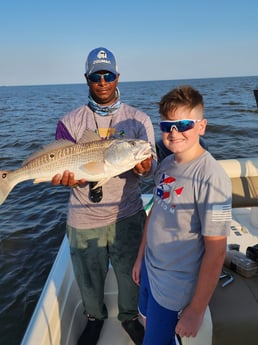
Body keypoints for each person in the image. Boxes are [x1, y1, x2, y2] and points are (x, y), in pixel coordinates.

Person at [52, 47, 156, 345]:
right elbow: (61, 165)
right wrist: (64, 179)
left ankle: (129, 317)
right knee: (88, 279)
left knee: (130, 275)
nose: (102, 81)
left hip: (128, 215)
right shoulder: (69, 122)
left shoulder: (138, 120)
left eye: (107, 74)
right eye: (96, 75)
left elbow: (151, 168)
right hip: (83, 218)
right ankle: (94, 318)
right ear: (87, 79)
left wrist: (146, 165)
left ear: (117, 77)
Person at [132, 85, 232, 345]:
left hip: (174, 289)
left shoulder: (213, 178)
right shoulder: (165, 164)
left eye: (184, 124)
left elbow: (216, 250)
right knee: (144, 319)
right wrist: (141, 257)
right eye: (167, 126)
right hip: (150, 271)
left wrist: (196, 310)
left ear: (202, 126)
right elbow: (154, 211)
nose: (174, 133)